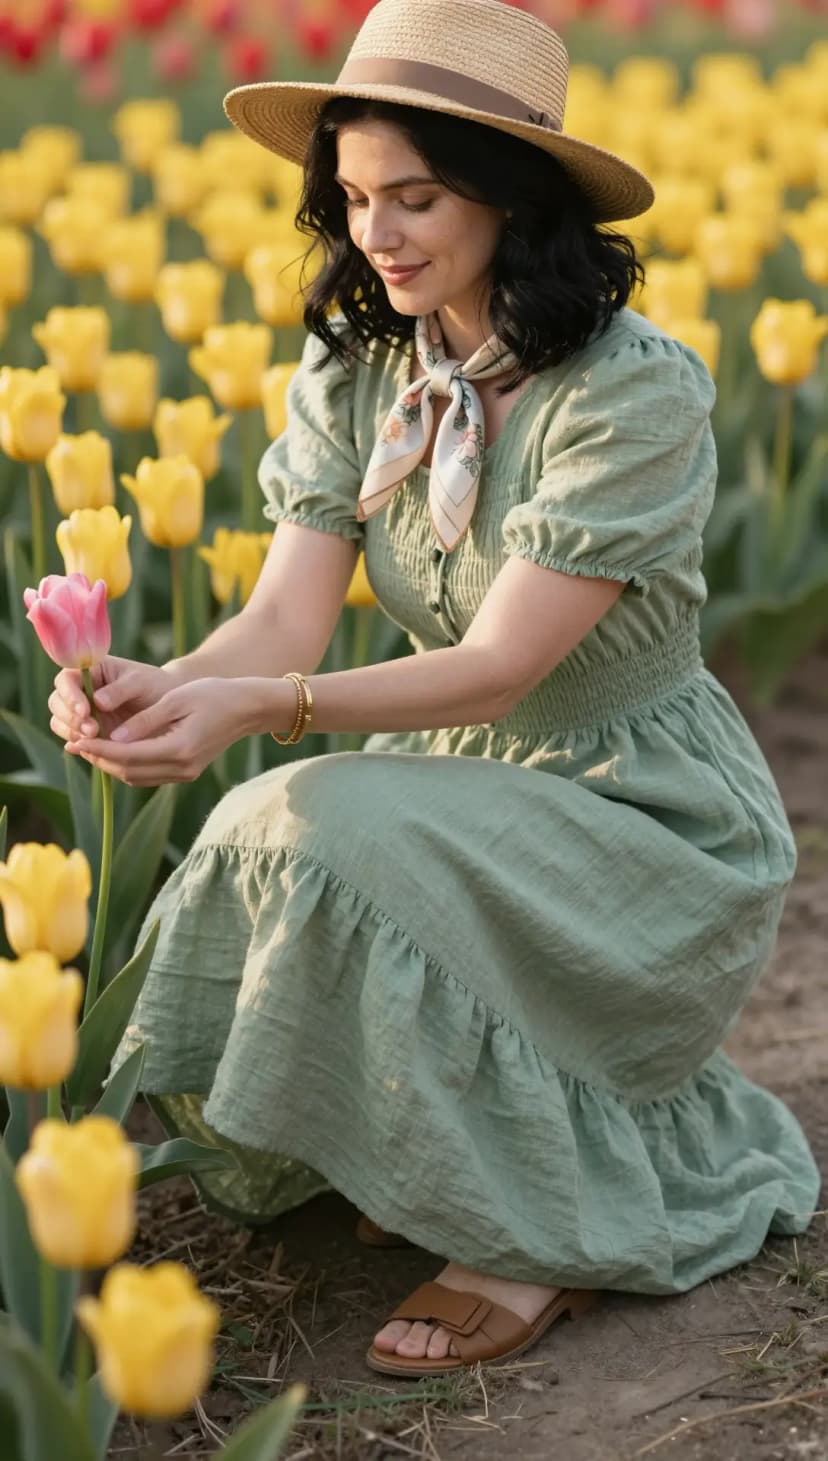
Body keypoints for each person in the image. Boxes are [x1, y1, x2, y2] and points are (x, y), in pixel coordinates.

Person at [50, 0, 818, 1379]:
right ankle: (422, 1145)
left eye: (415, 197)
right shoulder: (365, 372)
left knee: (314, 815)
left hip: (639, 818)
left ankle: (532, 1232)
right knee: (273, 821)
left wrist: (264, 709)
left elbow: (504, 662)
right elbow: (283, 614)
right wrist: (156, 684)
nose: (377, 236)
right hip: (472, 785)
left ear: (509, 198)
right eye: (353, 200)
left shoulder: (630, 394)